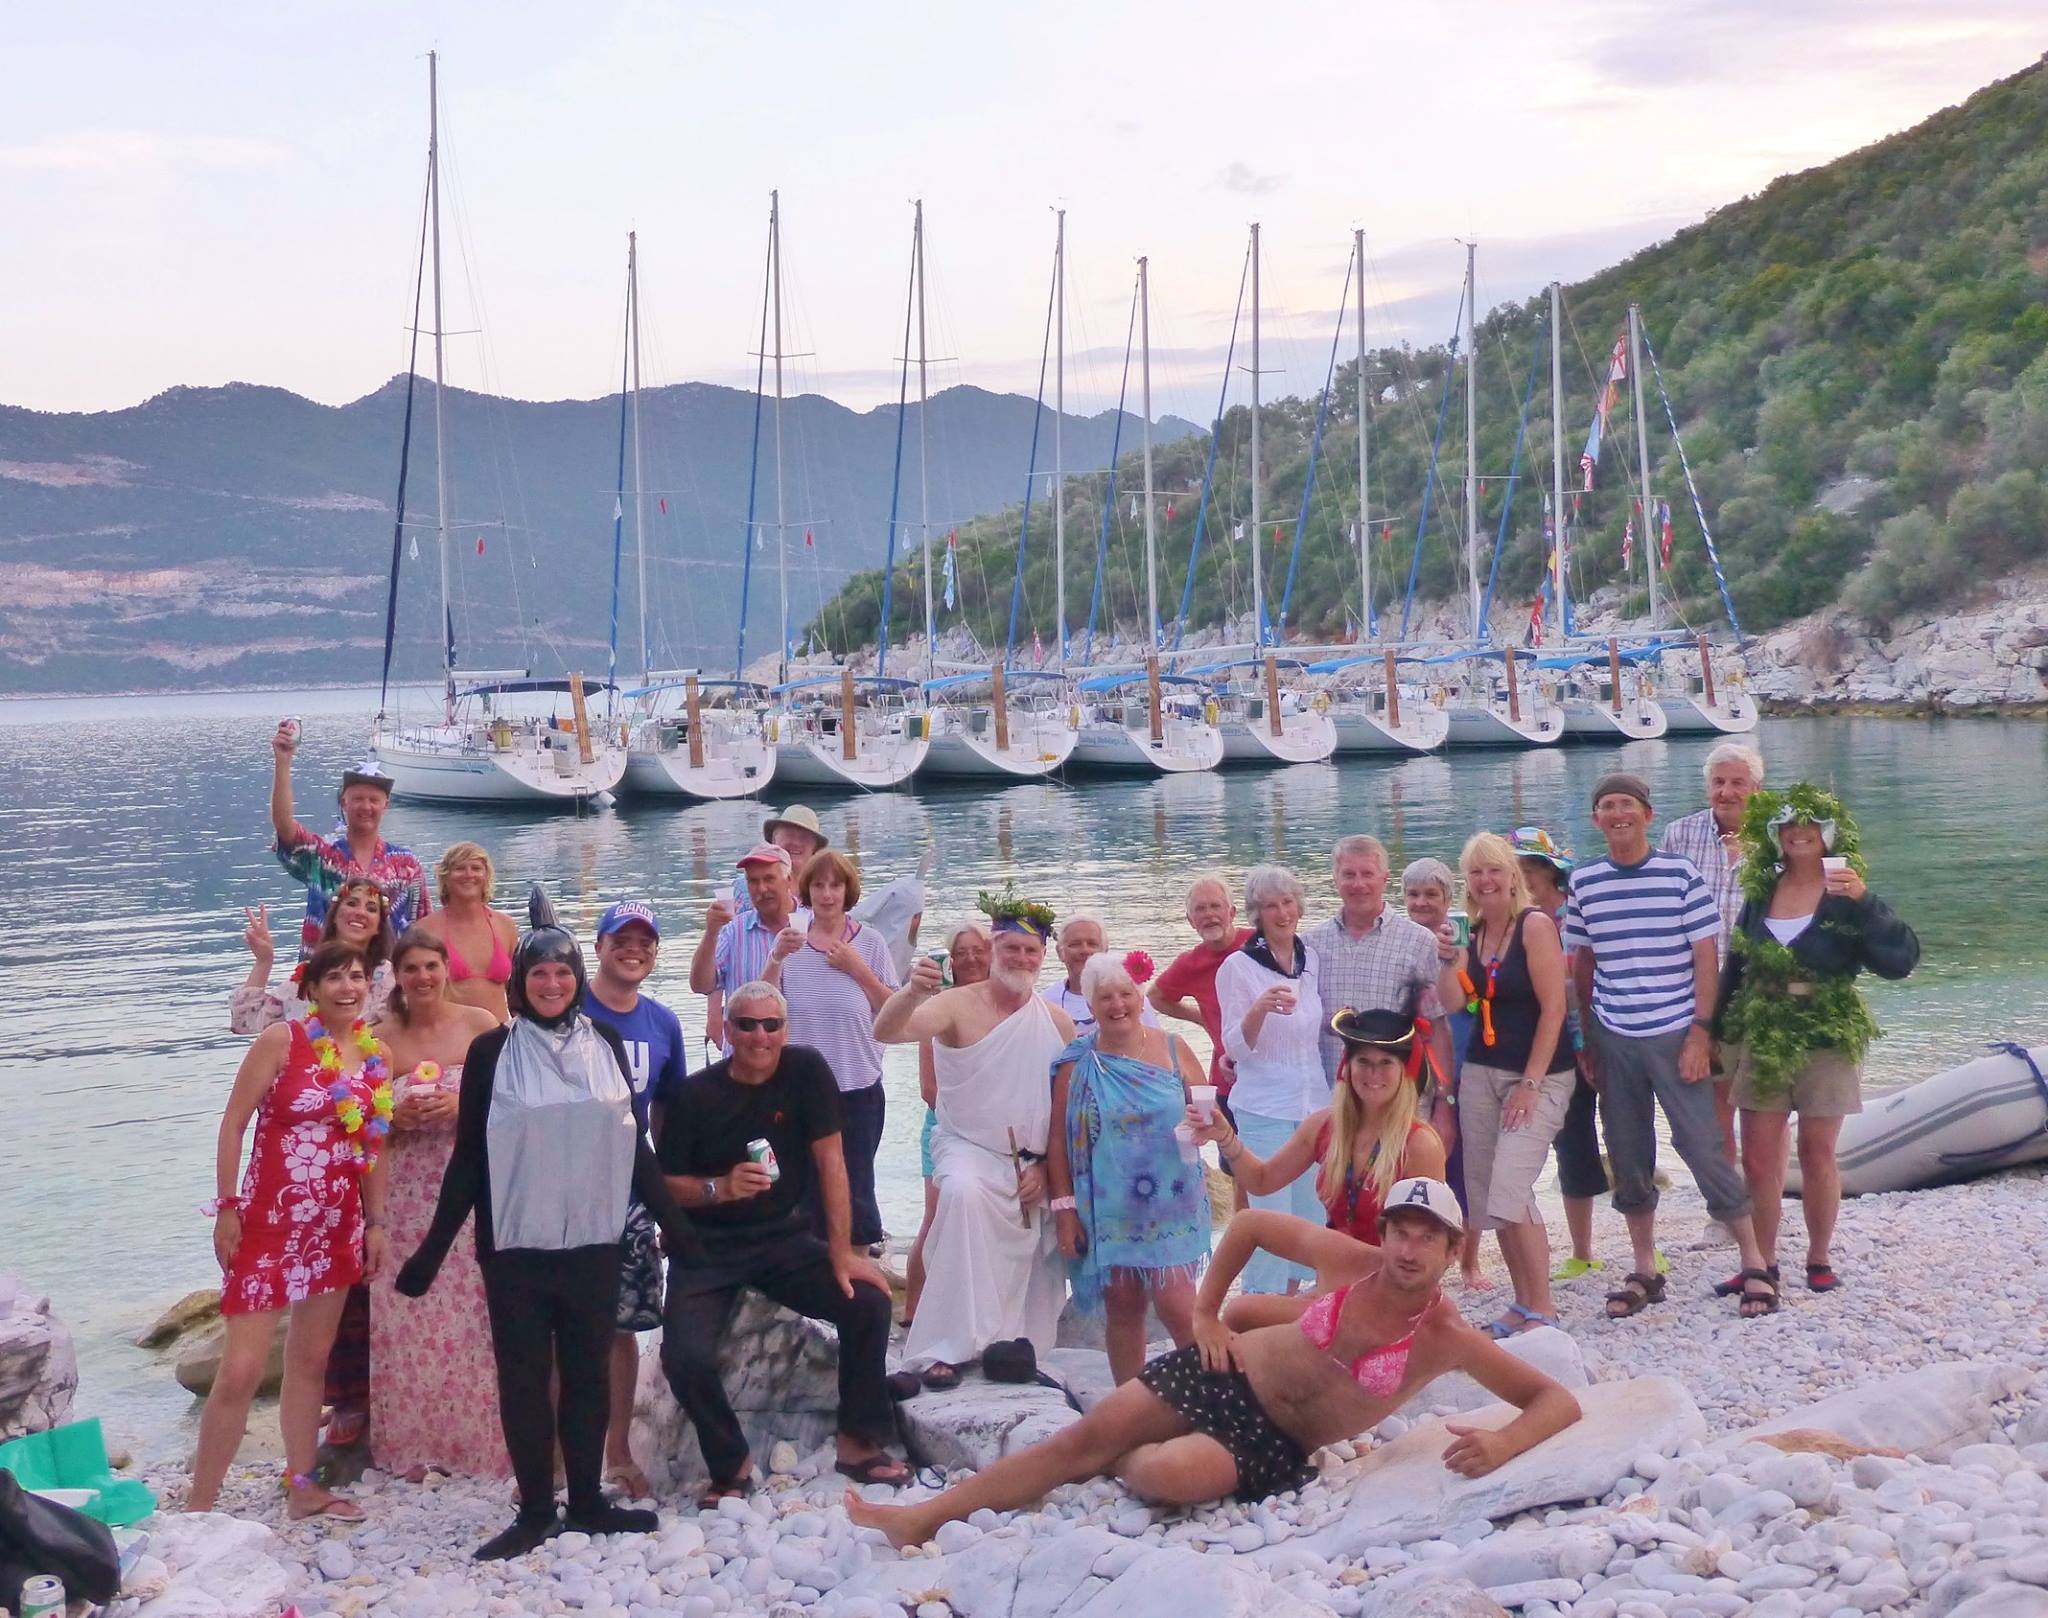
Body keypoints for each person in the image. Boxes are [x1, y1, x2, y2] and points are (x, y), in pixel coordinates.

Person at [844, 1179, 1582, 1547]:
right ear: (1384, 1233)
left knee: (1169, 1477)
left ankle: (1116, 1452)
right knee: (1075, 1442)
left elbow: (1555, 1401)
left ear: (1455, 1252)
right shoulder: (1352, 1263)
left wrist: (1503, 1442)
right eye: (1401, 1232)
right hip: (1223, 1370)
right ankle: (922, 1520)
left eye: (1429, 1238)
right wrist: (1202, 1313)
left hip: (1273, 1443)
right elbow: (1253, 1223)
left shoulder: (1447, 1336)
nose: (1410, 1250)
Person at [395, 922, 700, 1561]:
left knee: (588, 1375)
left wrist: (679, 1224)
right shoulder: (491, 1053)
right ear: (520, 982)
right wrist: (431, 1250)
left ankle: (586, 1501)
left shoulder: (606, 1042)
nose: (553, 983)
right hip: (515, 1246)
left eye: (563, 972)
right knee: (526, 1378)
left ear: (578, 978)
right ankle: (535, 1509)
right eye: (539, 973)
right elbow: (470, 1159)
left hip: (594, 1239)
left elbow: (634, 1146)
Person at [654, 981, 910, 1502]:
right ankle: (732, 1464)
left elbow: (833, 1163)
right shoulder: (694, 1095)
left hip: (783, 1239)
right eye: (746, 1024)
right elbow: (662, 1186)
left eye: (772, 1025)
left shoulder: (806, 1071)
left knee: (868, 1302)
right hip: (708, 1249)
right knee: (684, 1357)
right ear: (728, 1030)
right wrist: (718, 1188)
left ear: (785, 1030)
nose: (760, 1036)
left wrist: (842, 1252)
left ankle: (859, 1441)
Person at [188, 940, 392, 1522]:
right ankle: (201, 1504)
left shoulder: (376, 1058)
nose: (347, 988)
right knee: (243, 1368)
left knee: (310, 1362)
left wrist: (375, 1224)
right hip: (269, 1223)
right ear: (310, 988)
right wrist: (228, 1207)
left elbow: (372, 1148)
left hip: (335, 1224)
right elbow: (233, 1126)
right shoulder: (282, 1041)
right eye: (334, 979)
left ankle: (302, 1487)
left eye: (356, 977)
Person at [1563, 773, 1777, 1321]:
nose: (1618, 814)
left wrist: (1702, 1033)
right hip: (1615, 1035)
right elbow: (1581, 967)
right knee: (1630, 1154)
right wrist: (1584, 1037)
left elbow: (1706, 957)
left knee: (1704, 1146)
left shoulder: (1679, 874)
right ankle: (1644, 1266)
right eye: (1607, 806)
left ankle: (1755, 1260)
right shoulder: (1584, 883)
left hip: (1678, 1030)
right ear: (1596, 820)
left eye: (1627, 805)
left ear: (1647, 815)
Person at [1717, 786, 1919, 1298]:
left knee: (1816, 1152)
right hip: (1763, 1027)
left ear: (1827, 834)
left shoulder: (1847, 893)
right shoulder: (1762, 892)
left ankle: (1818, 1257)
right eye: (1788, 826)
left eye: (1809, 824)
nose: (1798, 832)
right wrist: (1713, 1032)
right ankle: (1760, 1262)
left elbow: (1899, 963)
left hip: (1827, 1031)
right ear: (1776, 837)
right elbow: (1736, 964)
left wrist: (1866, 902)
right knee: (1759, 1157)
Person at [875, 888, 1075, 1386]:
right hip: (965, 1148)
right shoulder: (956, 1005)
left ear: (1042, 956)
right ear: (994, 949)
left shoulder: (1057, 1022)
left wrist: (1048, 1172)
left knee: (1023, 1250)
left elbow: (1066, 1112)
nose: (1021, 958)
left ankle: (1003, 1346)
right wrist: (910, 993)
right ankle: (945, 1346)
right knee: (961, 1196)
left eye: (1031, 951)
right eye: (1011, 948)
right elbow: (887, 1032)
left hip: (1029, 1164)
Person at [1194, 1008, 1446, 1333]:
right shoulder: (1325, 1126)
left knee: (1243, 1314)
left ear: (1405, 1071)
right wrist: (1225, 1137)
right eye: (1364, 1062)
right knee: (1243, 1313)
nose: (1373, 1074)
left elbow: (1432, 1244)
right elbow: (1261, 1180)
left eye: (1386, 1063)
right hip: (1335, 1275)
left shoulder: (1420, 1145)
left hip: (1389, 1287)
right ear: (1347, 1067)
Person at [366, 929, 503, 1480]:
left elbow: (513, 1102)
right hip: (403, 1194)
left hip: (471, 1189)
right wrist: (394, 1118)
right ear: (396, 976)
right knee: (407, 1316)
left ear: (447, 969)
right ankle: (412, 1447)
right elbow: (363, 1127)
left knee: (474, 1315)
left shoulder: (482, 1025)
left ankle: (482, 1445)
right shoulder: (378, 1040)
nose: (422, 978)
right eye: (411, 969)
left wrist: (462, 1104)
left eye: (431, 966)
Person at [1048, 954, 1211, 1384]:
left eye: (1126, 994)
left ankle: (1213, 1400)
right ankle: (1131, 1406)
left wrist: (1206, 1128)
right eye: (1105, 997)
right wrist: (1064, 1211)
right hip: (1108, 1207)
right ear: (1090, 1004)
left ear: (1140, 997)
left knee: (1180, 1308)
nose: (1117, 1004)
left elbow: (1209, 1114)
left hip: (1173, 1201)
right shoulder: (1076, 1063)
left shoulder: (1173, 1047)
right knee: (1123, 1309)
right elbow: (1057, 1142)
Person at [1437, 834, 1574, 1337]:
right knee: (1491, 1194)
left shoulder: (1534, 926)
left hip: (1536, 1074)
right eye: (1476, 873)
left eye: (1495, 870)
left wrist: (1531, 1084)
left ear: (1513, 877)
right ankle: (1523, 1302)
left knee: (1513, 1185)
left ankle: (1544, 1309)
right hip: (1481, 1070)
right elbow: (1454, 1004)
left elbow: (1555, 1008)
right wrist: (1449, 961)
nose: (1486, 880)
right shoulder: (1472, 934)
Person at [579, 900, 688, 1501]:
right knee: (559, 1327)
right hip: (567, 1184)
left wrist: (670, 1194)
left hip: (632, 1186)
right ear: (598, 946)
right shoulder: (570, 1008)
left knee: (622, 1326)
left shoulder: (662, 1022)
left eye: (645, 941)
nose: (634, 949)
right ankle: (555, 1456)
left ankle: (617, 1452)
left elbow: (668, 1113)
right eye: (622, 938)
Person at [766, 851, 899, 1249]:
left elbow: (892, 1011)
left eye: (835, 885)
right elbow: (764, 1003)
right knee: (805, 1189)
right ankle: (811, 1285)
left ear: (848, 891)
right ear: (806, 891)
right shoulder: (791, 942)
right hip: (802, 1090)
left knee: (856, 1187)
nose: (827, 894)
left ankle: (856, 1279)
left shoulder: (870, 943)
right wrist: (776, 957)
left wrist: (857, 969)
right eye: (819, 885)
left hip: (858, 1085)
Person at [1215, 865, 1326, 1295]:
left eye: (1287, 902)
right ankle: (1258, 1307)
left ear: (1299, 905)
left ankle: (1302, 1310)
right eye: (1269, 906)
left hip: (1314, 1104)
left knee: (1311, 1216)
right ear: (1256, 914)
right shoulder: (1238, 967)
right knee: (1269, 1218)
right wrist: (1258, 1010)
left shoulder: (1309, 958)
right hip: (1263, 1106)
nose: (1281, 912)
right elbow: (1235, 1051)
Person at [1660, 742, 1767, 1181]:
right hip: (1696, 992)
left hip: (1758, 993)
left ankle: (1758, 1201)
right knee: (1711, 1104)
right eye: (1719, 782)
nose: (1727, 792)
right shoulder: (1678, 836)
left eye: (1737, 783)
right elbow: (1662, 913)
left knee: (1761, 1105)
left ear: (1756, 789)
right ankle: (1725, 1202)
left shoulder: (1776, 841)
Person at [1510, 828, 1605, 1283]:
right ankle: (1580, 1250)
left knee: (1625, 1138)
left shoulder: (1579, 915)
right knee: (1570, 1143)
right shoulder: (1510, 923)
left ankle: (1627, 1245)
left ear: (1551, 872)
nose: (1523, 878)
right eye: (1518, 871)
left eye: (1529, 869)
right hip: (1548, 1048)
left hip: (1598, 1035)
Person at [268, 723, 429, 956]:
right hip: (324, 979)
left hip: (387, 981)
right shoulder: (323, 857)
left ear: (386, 806)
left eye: (374, 800)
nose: (366, 806)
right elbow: (284, 825)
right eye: (358, 799)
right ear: (344, 803)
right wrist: (283, 762)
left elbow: (422, 926)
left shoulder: (406, 865)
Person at [1308, 838, 1453, 1089]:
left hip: (1399, 1097)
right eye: (1349, 875)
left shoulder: (1419, 942)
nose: (1358, 884)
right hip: (1328, 1095)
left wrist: (1445, 1100)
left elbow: (1438, 1028)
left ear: (1385, 879)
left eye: (1367, 874)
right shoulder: (1310, 945)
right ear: (1335, 880)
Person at [904, 922, 993, 1329]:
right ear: (950, 961)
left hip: (994, 1132)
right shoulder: (939, 1005)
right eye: (962, 952)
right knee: (936, 1219)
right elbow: (928, 1088)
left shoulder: (1004, 1003)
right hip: (945, 1125)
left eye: (980, 950)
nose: (971, 958)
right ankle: (914, 1311)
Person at [1399, 856, 1481, 1287]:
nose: (1421, 902)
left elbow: (1467, 999)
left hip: (1458, 1055)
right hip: (1412, 1064)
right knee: (1416, 1156)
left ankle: (1468, 1261)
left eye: (1431, 894)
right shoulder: (1399, 937)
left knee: (1461, 1163)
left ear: (1448, 898)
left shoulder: (1460, 935)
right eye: (1413, 894)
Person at [707, 806, 829, 1047]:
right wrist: (713, 1012)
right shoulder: (745, 890)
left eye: (803, 837)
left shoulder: (824, 895)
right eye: (788, 834)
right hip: (749, 1024)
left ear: (814, 849)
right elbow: (723, 954)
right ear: (774, 839)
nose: (794, 842)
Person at [231, 880, 397, 1035]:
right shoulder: (307, 974)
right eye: (352, 903)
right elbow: (245, 1023)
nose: (360, 912)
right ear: (334, 917)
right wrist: (263, 962)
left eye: (371, 909)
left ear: (378, 926)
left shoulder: (390, 978)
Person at [692, 844, 806, 1056]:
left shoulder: (811, 925)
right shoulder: (733, 931)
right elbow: (701, 985)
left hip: (799, 1063)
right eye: (753, 881)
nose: (761, 889)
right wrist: (710, 933)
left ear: (789, 880)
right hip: (744, 1064)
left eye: (769, 879)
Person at [407, 843, 520, 1024]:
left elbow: (518, 990)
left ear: (486, 875)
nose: (469, 874)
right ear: (446, 876)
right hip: (450, 1037)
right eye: (460, 868)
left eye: (476, 868)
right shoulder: (424, 930)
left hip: (501, 1035)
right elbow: (412, 992)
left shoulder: (505, 925)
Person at [1043, 915, 1160, 1033]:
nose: (1085, 950)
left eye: (1092, 944)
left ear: (1105, 950)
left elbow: (1155, 1042)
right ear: (1060, 952)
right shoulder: (1045, 1002)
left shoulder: (1132, 999)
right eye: (1075, 944)